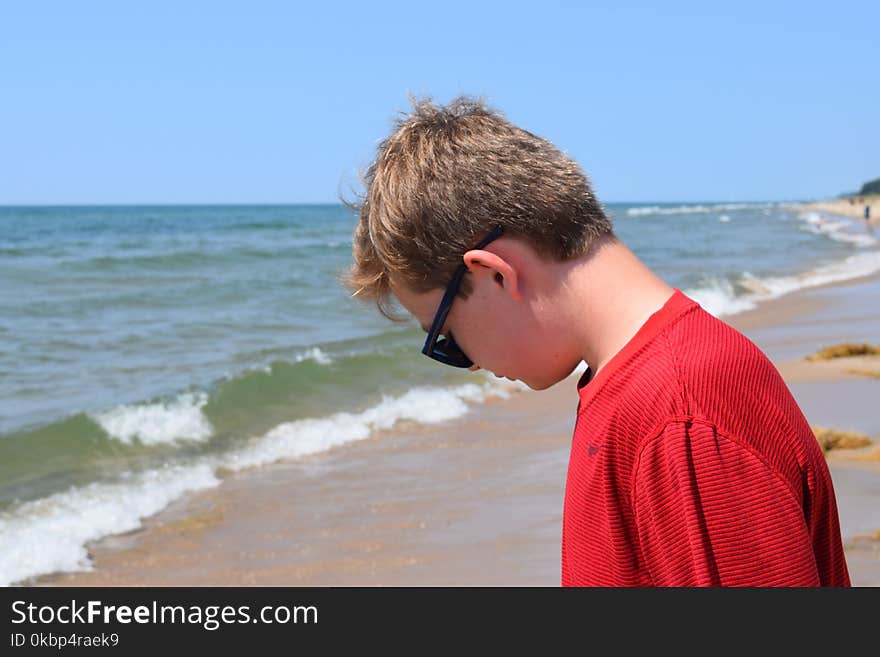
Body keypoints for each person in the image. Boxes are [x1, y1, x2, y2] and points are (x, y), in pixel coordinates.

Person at [342, 95, 850, 587]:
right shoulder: (648, 385)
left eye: (446, 338)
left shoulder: (681, 422)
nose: (467, 363)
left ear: (495, 274)